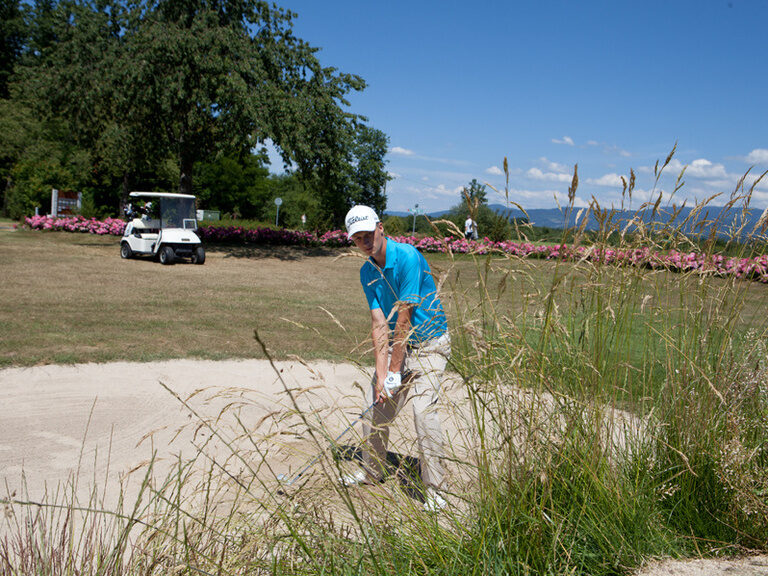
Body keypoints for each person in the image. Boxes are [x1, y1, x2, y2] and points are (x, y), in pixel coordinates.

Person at [341, 205, 451, 512]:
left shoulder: (408, 257)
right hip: (400, 348)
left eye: (368, 233)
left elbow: (404, 319)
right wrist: (382, 377)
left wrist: (394, 372)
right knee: (372, 406)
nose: (365, 241)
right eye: (357, 237)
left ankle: (436, 489)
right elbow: (379, 325)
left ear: (381, 228)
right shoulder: (367, 273)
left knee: (422, 411)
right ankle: (373, 471)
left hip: (430, 345)